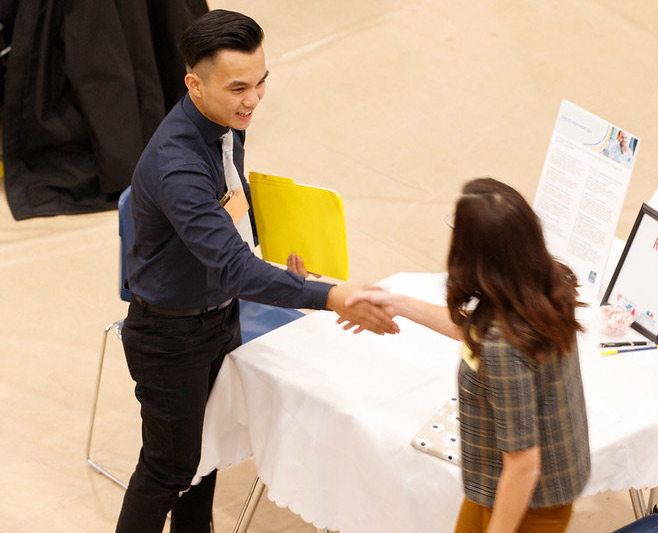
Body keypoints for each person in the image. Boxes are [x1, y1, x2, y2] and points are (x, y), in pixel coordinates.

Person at [116, 10, 398, 533]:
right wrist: (330, 295)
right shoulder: (177, 163)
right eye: (238, 87)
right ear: (193, 84)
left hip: (217, 314)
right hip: (170, 334)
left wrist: (278, 252)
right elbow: (234, 267)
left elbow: (231, 221)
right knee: (169, 467)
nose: (253, 99)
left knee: (206, 455)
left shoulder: (226, 124)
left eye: (262, 81)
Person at [347, 178, 591, 533]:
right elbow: (476, 329)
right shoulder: (537, 285)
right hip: (501, 484)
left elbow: (523, 466)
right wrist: (397, 303)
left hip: (526, 502)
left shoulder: (504, 348)